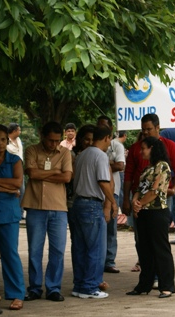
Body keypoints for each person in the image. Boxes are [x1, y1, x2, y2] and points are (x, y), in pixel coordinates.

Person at [122, 114, 175, 280]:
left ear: (158, 127)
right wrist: (129, 199)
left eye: (149, 129)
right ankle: (147, 274)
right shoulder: (136, 149)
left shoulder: (169, 148)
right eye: (143, 130)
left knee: (159, 238)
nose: (146, 132)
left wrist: (174, 189)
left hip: (159, 201)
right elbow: (129, 175)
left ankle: (160, 277)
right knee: (140, 238)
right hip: (139, 199)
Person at [22, 122, 72, 302]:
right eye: (50, 140)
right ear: (43, 136)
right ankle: (35, 288)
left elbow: (66, 177)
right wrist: (54, 173)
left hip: (58, 207)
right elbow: (31, 174)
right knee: (35, 250)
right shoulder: (31, 150)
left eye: (57, 141)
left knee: (57, 250)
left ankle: (53, 288)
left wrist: (41, 172)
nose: (54, 144)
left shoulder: (65, 152)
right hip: (35, 205)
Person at [70, 125, 117, 299]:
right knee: (96, 248)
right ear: (106, 138)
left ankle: (79, 285)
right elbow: (104, 182)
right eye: (110, 139)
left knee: (80, 248)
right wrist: (112, 202)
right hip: (92, 205)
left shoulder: (82, 154)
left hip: (78, 204)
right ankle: (90, 287)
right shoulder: (100, 155)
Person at [126, 137, 175, 298]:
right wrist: (135, 201)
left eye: (144, 148)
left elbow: (155, 191)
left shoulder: (163, 166)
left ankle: (166, 286)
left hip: (157, 213)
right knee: (144, 249)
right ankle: (144, 284)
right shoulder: (147, 169)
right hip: (143, 213)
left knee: (160, 249)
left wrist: (139, 204)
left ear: (153, 148)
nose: (141, 152)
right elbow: (139, 188)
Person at [0, 124, 25, 312]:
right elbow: (13, 186)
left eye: (3, 139)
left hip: (8, 214)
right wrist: (8, 188)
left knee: (10, 254)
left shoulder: (15, 160)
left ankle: (16, 294)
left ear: (8, 140)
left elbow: (18, 183)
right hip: (4, 204)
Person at [97, 116, 125, 273]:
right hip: (95, 192)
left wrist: (103, 164)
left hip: (112, 191)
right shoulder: (92, 147)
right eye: (99, 126)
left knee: (111, 228)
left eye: (105, 126)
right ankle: (97, 260)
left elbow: (120, 165)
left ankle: (109, 260)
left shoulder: (116, 146)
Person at [7, 122, 25, 219]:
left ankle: (21, 213)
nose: (20, 132)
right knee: (12, 190)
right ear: (14, 131)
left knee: (22, 190)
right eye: (19, 130)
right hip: (9, 168)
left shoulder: (18, 140)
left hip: (20, 168)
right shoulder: (5, 141)